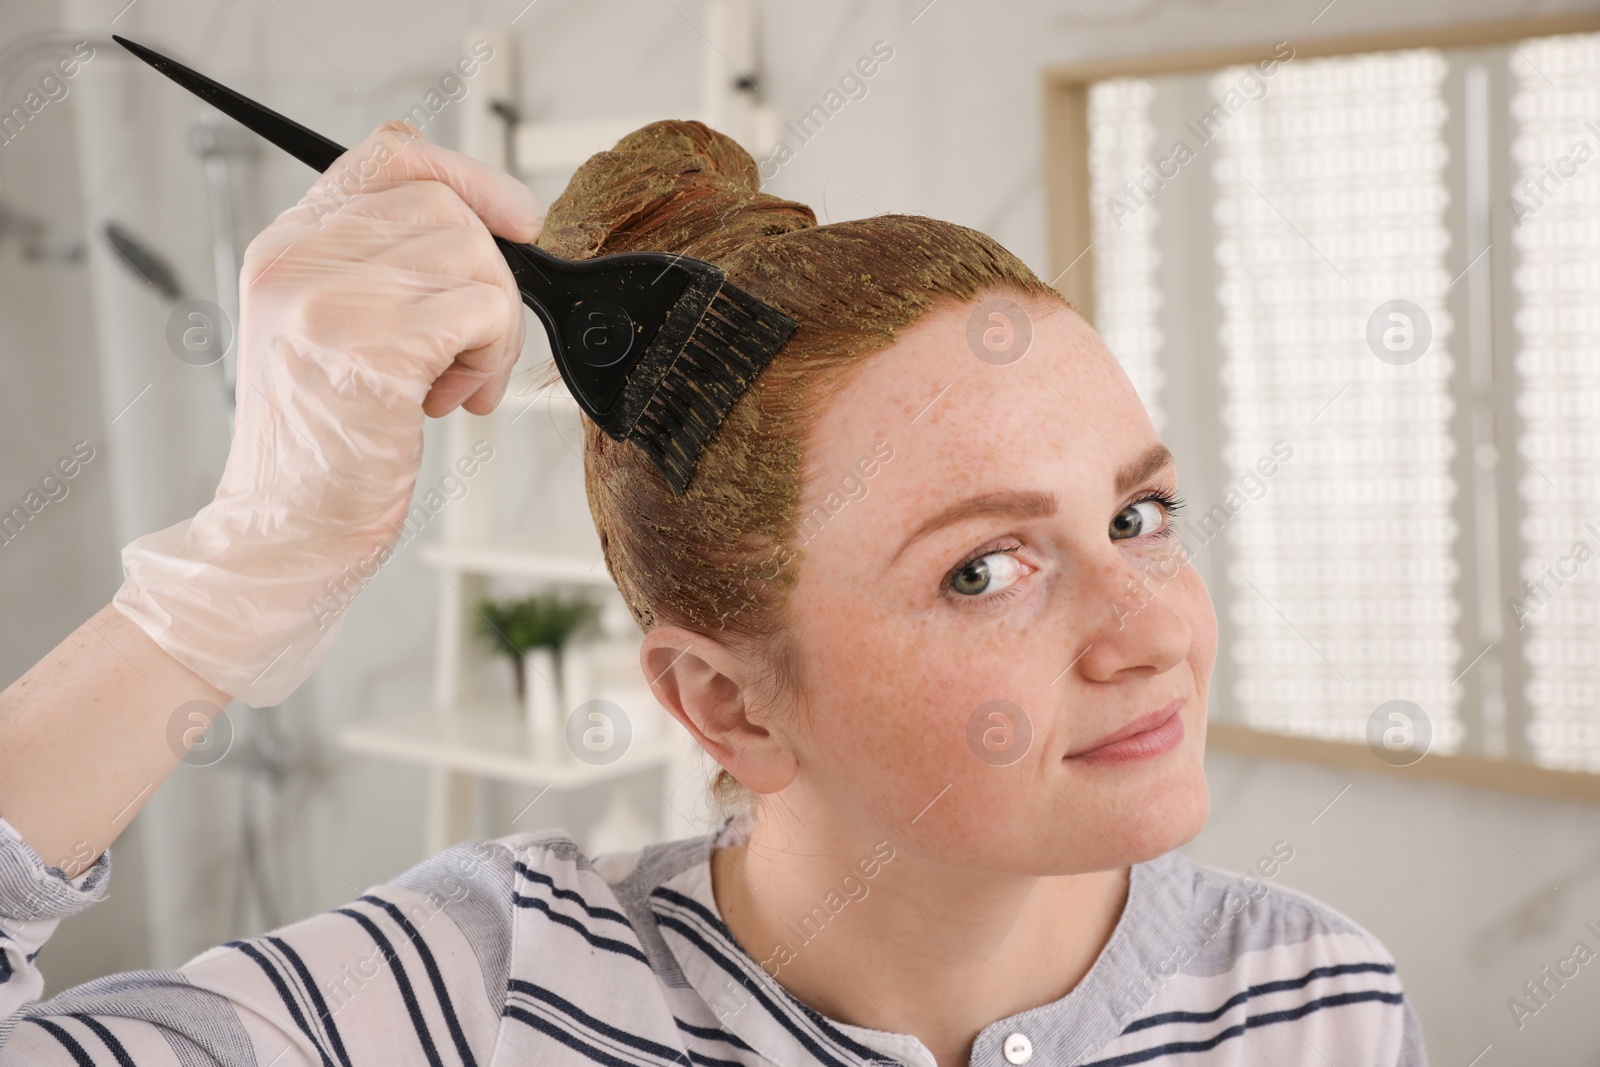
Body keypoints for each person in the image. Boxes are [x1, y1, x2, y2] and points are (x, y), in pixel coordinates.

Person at [0, 117, 1428, 1066]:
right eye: (983, 570)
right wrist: (228, 582)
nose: (1153, 632)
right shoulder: (478, 1004)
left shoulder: (1313, 1003)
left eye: (1137, 513)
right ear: (728, 708)